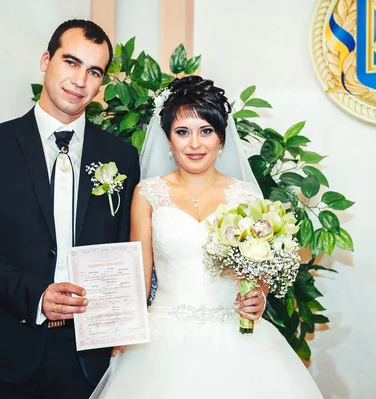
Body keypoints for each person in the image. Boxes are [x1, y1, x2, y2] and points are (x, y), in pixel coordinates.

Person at [90, 76, 324, 398]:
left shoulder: (245, 197)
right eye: (183, 132)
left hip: (236, 339)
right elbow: (138, 279)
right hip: (160, 342)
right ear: (169, 140)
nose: (195, 144)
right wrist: (120, 332)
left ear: (221, 139)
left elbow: (257, 269)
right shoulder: (148, 193)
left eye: (206, 131)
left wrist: (259, 296)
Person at [0, 19, 140, 399]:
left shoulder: (121, 157)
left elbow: (127, 250)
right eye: (71, 62)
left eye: (94, 71)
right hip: (5, 346)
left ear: (101, 82)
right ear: (46, 59)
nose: (80, 80)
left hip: (89, 358)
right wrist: (37, 295)